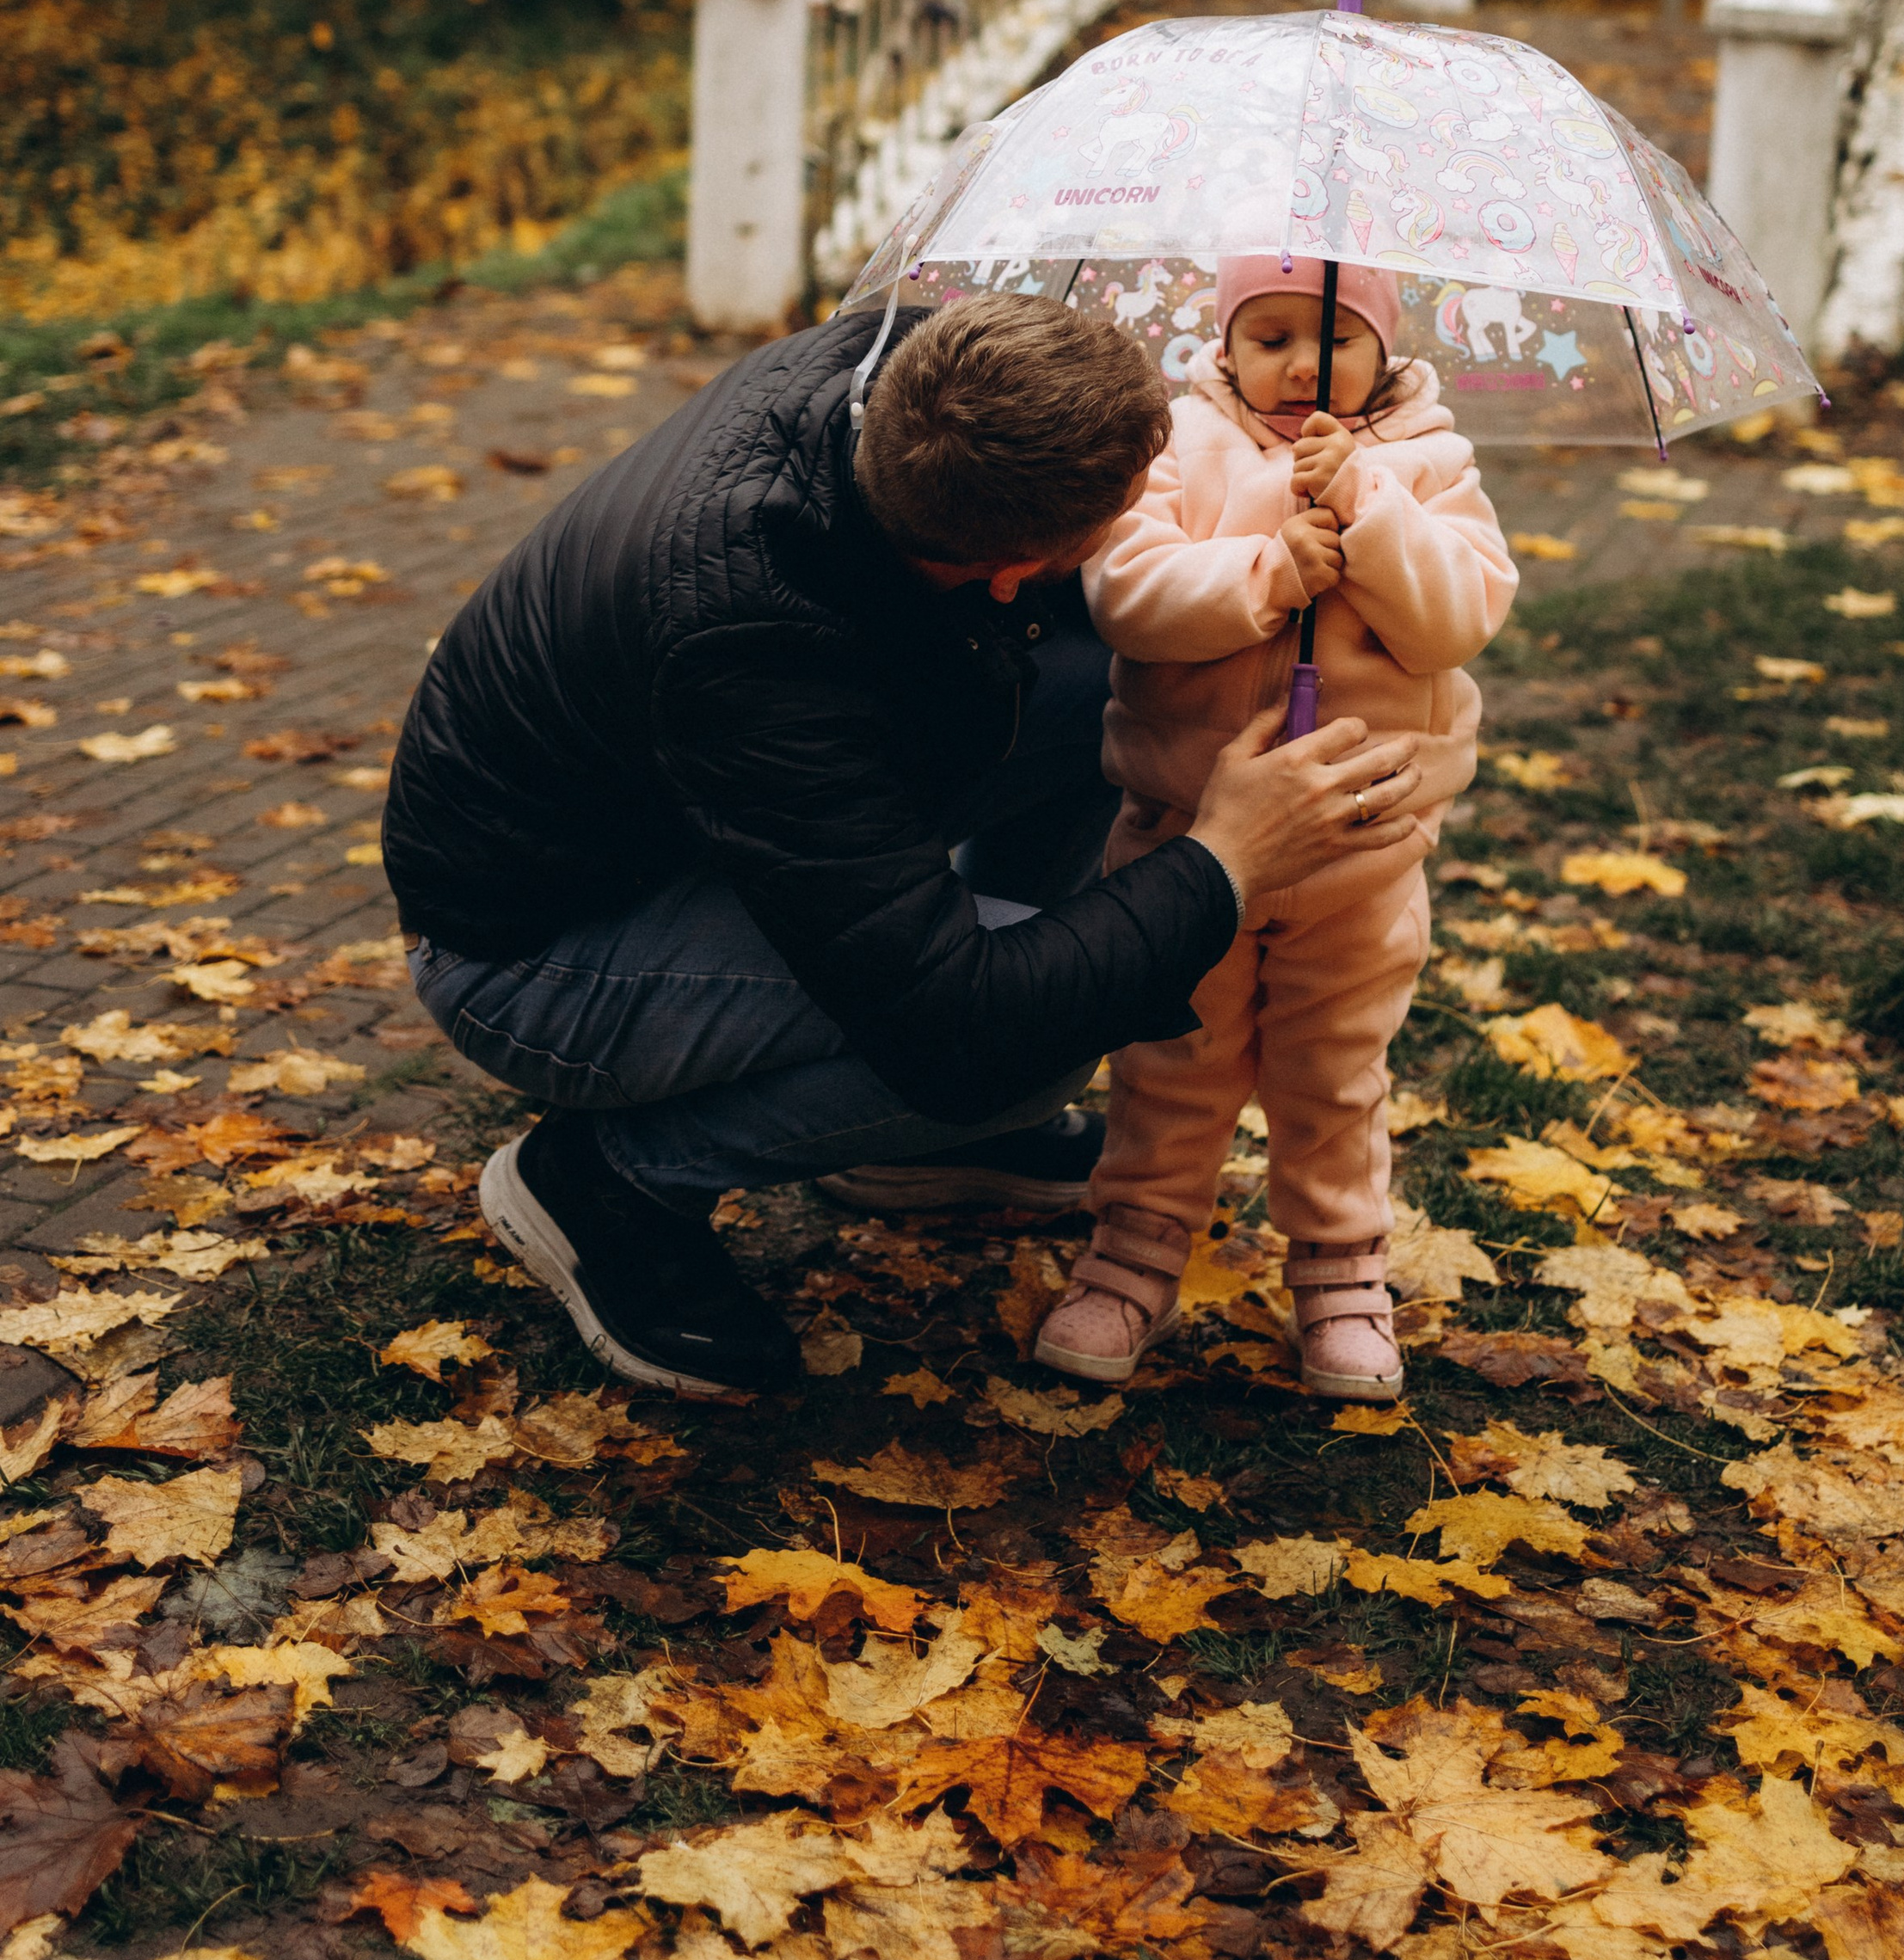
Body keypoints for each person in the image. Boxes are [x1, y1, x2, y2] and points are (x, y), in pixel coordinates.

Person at [381, 291, 1429, 1398]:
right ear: (1015, 571)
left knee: (1106, 698)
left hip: (686, 818)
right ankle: (609, 1181)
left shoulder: (915, 366)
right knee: (1032, 1040)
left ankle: (917, 1145)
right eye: (1128, 512)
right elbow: (957, 1015)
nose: (1143, 517)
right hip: (533, 950)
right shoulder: (755, 645)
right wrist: (1226, 854)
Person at [1035, 257, 1517, 1405]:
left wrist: (1368, 502)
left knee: (1333, 1070)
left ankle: (1341, 1277)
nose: (1300, 363)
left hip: (1359, 846)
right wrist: (1266, 565)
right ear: (1227, 346)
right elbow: (1129, 596)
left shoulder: (1432, 464)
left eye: (1332, 336)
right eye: (1268, 336)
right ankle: (1136, 1249)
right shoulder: (1178, 449)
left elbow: (1454, 618)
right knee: (1170, 1057)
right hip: (1188, 838)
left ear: (1384, 351)